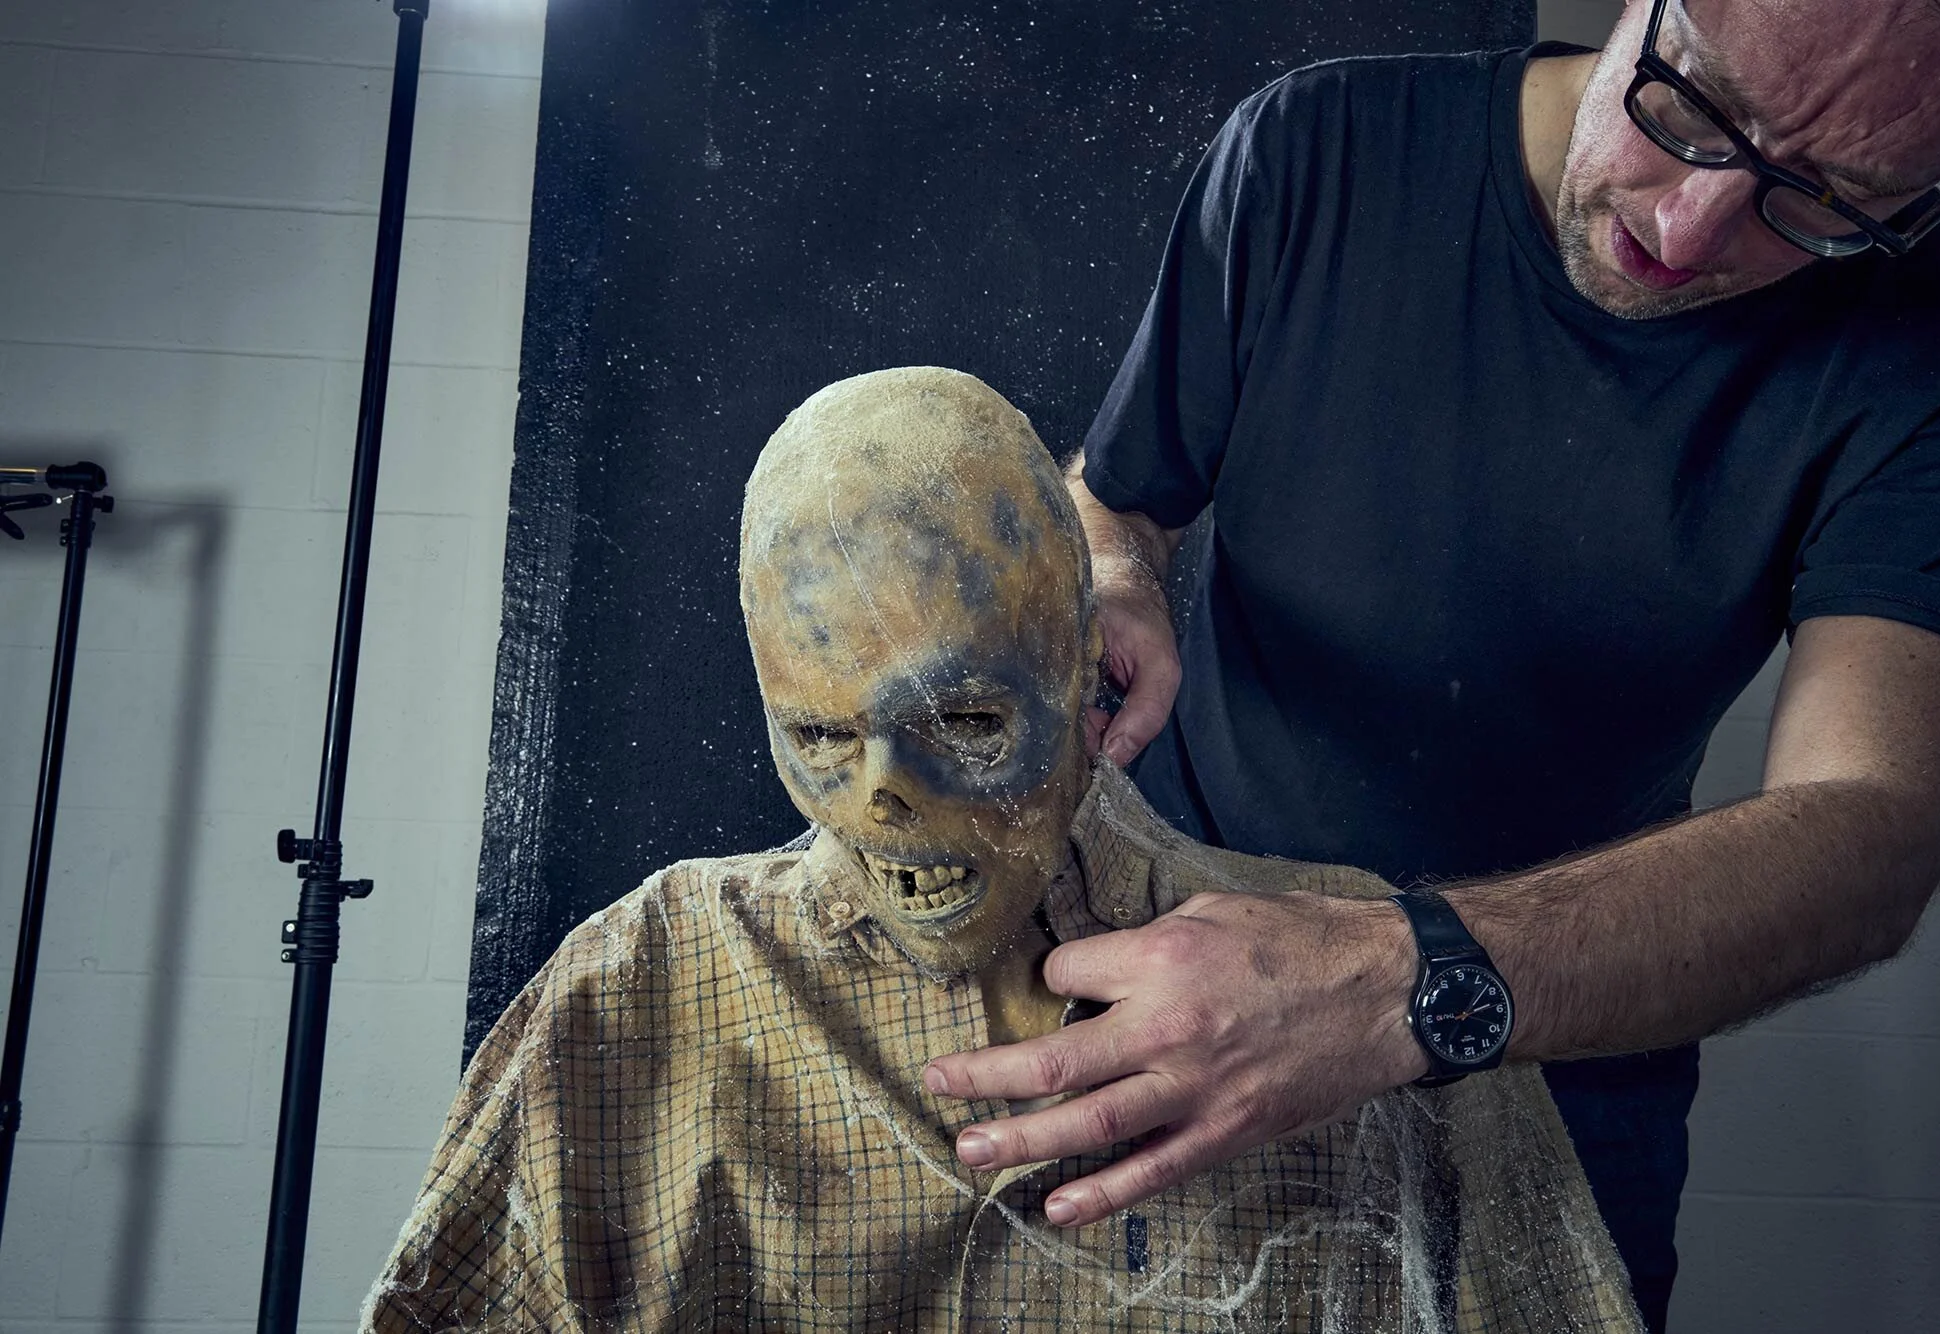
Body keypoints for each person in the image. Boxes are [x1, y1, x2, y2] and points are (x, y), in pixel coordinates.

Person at [917, 2, 1940, 1330]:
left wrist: (1395, 981)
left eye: (1831, 202)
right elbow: (1115, 497)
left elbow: (1874, 826)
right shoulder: (1315, 150)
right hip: (1170, 992)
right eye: (1693, 110)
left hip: (1562, 1052)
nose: (1690, 230)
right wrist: (1121, 576)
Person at [360, 367, 1644, 1332]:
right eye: (817, 734)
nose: (880, 801)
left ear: (1089, 676)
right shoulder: (639, 992)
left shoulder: (1362, 984)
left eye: (963, 722)